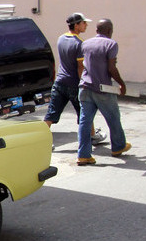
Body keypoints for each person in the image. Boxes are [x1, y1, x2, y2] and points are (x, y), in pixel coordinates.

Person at [76, 19, 131, 166]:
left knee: (85, 122)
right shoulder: (111, 44)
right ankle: (118, 147)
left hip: (85, 87)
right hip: (102, 89)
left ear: (96, 30)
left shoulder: (85, 43)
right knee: (113, 117)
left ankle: (83, 155)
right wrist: (121, 83)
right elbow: (111, 68)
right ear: (109, 30)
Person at [44, 13, 105, 145]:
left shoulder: (61, 38)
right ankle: (92, 136)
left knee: (52, 112)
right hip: (73, 83)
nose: (86, 25)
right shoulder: (80, 43)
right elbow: (80, 67)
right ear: (76, 25)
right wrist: (83, 84)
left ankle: (42, 139)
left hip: (60, 81)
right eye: (83, 23)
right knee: (85, 111)